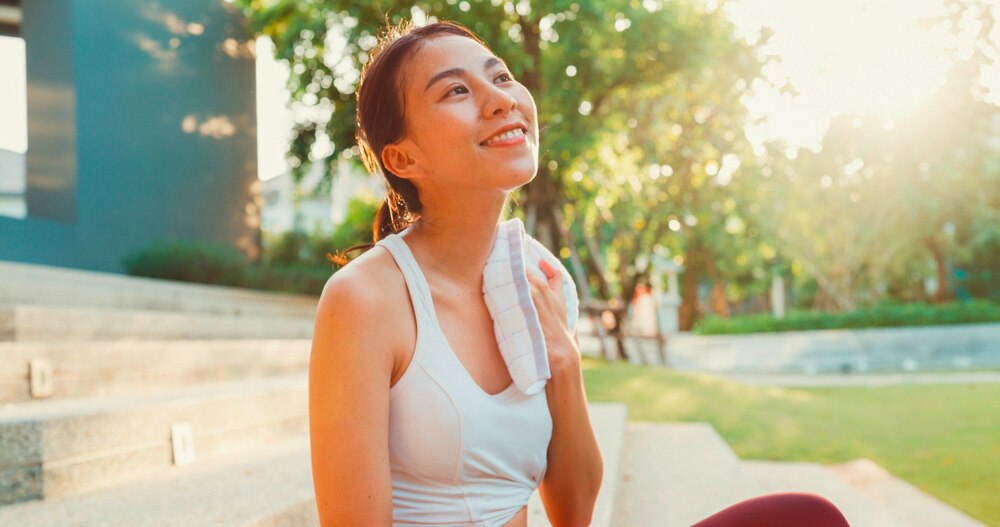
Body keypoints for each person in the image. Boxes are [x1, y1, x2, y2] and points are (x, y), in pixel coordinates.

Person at [309, 17, 851, 527]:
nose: (502, 99)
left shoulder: (536, 281)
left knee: (806, 518)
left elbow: (573, 512)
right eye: (457, 90)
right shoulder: (366, 301)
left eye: (500, 76)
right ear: (403, 159)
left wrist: (564, 361)